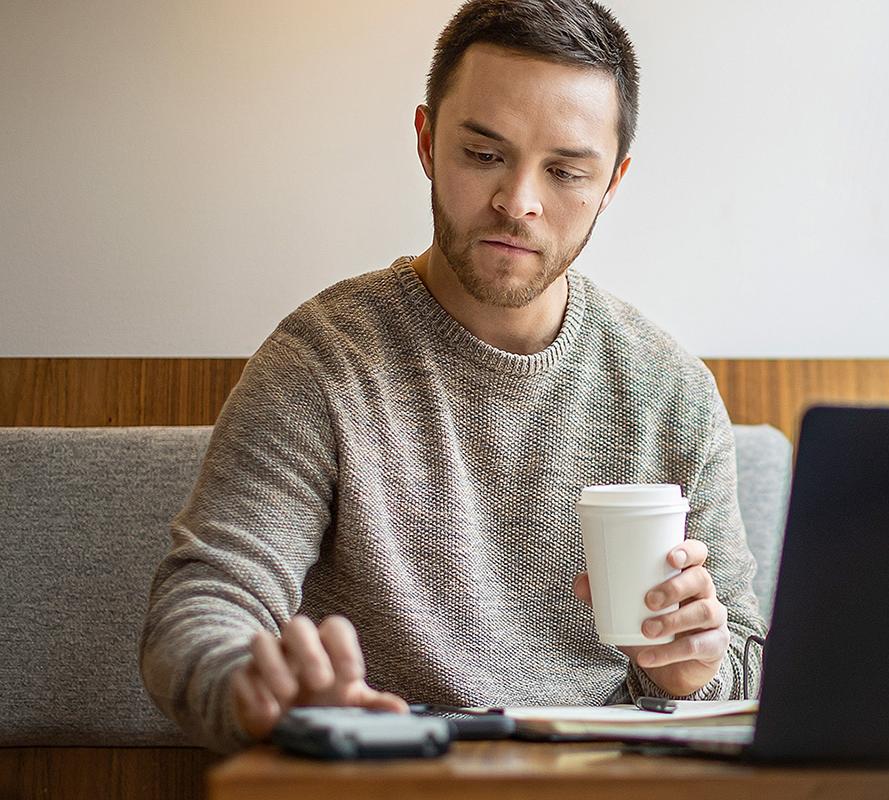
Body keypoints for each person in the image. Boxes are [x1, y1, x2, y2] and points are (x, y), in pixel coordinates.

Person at [139, 0, 766, 754]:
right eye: (483, 155)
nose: (518, 202)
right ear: (427, 141)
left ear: (612, 183)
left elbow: (745, 666)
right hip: (381, 769)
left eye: (566, 171)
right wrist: (257, 690)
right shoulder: (323, 359)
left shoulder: (671, 393)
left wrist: (689, 672)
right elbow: (205, 601)